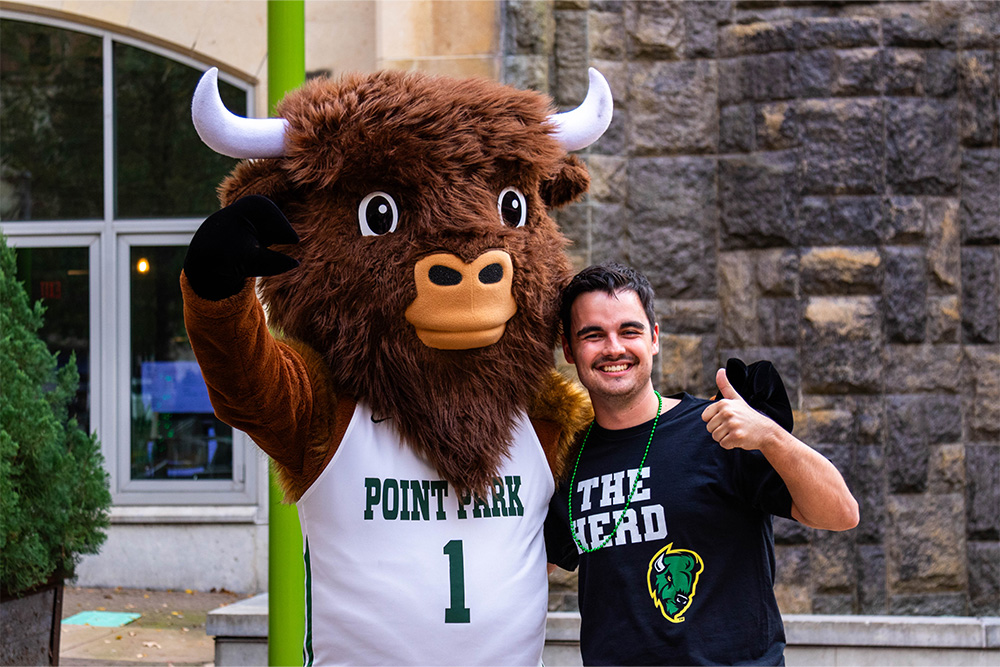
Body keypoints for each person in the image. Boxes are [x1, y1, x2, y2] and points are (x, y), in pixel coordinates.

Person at [545, 262, 859, 666]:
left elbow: (841, 514)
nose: (613, 348)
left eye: (629, 330)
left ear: (654, 338)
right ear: (570, 350)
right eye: (593, 335)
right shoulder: (569, 460)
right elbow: (530, 567)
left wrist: (770, 436)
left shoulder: (720, 428)